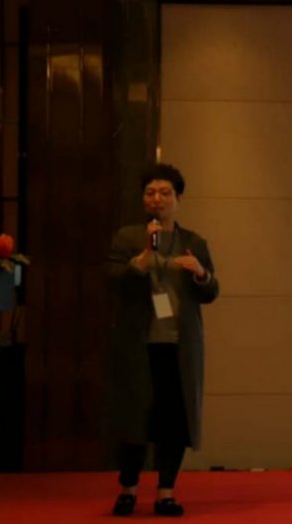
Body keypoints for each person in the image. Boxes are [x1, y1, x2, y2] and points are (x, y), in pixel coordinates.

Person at [106, 164, 219, 517]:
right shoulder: (127, 238)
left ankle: (166, 493)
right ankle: (128, 489)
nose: (158, 199)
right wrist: (140, 260)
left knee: (174, 422)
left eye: (165, 193)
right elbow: (113, 281)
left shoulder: (194, 242)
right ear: (143, 199)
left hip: (179, 347)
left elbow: (211, 292)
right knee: (135, 419)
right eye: (151, 193)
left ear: (178, 199)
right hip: (138, 345)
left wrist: (200, 273)